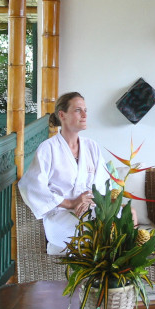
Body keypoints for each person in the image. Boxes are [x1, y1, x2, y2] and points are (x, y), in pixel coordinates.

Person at [19, 92, 104, 253]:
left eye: (86, 110)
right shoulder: (48, 148)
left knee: (121, 220)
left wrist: (88, 201)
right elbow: (30, 186)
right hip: (60, 216)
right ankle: (88, 275)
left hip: (90, 209)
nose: (85, 115)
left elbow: (102, 183)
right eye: (78, 110)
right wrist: (71, 203)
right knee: (94, 233)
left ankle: (114, 275)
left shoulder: (92, 147)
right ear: (62, 115)